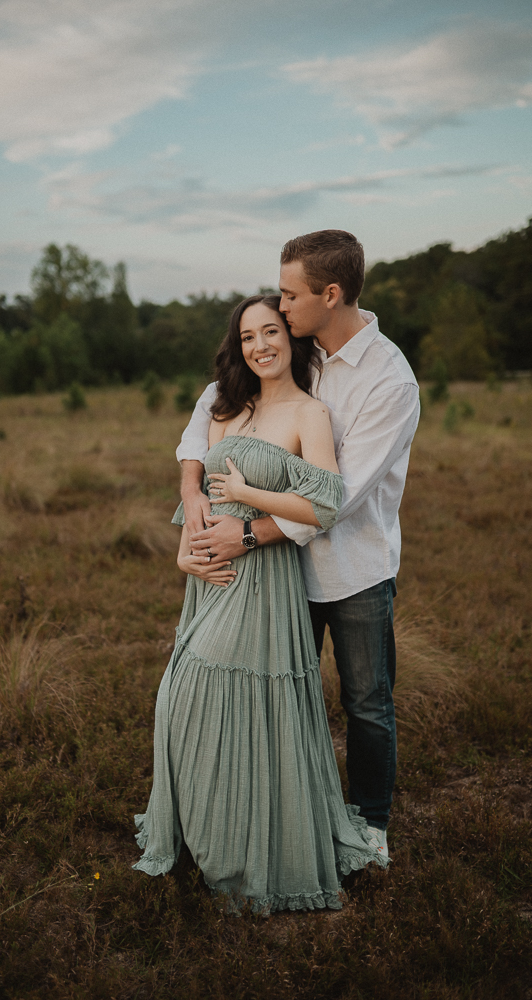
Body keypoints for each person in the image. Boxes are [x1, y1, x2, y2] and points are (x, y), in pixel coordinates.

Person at [133, 294, 387, 914]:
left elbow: (325, 504)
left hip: (263, 575)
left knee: (216, 698)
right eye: (247, 336)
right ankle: (209, 832)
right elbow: (199, 494)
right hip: (207, 580)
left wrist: (252, 496)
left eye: (270, 331)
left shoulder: (310, 413)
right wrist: (186, 553)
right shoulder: (225, 406)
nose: (260, 345)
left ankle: (245, 854)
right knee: (183, 702)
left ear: (290, 338)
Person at [178, 230, 420, 860]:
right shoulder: (296, 345)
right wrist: (192, 486)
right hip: (279, 573)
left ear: (330, 294)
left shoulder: (388, 381)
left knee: (366, 704)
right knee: (281, 695)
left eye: (289, 295)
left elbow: (342, 498)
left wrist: (247, 532)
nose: (280, 306)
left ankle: (371, 827)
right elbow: (210, 407)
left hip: (353, 569)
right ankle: (284, 817)